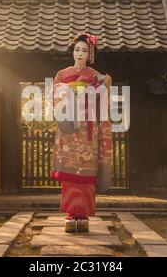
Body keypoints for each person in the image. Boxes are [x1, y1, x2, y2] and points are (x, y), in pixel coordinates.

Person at [50, 32, 112, 233]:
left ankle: (83, 215)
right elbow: (54, 94)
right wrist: (68, 94)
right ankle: (70, 214)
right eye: (77, 49)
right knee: (70, 175)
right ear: (73, 51)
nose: (80, 53)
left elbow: (102, 98)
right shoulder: (62, 74)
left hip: (87, 129)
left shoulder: (96, 75)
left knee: (85, 173)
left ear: (90, 54)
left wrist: (103, 86)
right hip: (70, 128)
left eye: (84, 50)